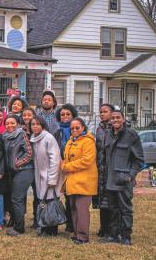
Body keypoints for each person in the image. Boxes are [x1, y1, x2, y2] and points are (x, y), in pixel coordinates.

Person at [102, 110, 145, 246]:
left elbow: (139, 160)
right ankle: (114, 235)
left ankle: (126, 236)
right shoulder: (108, 134)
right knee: (113, 209)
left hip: (123, 180)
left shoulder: (131, 135)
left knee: (125, 209)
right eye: (113, 118)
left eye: (118, 117)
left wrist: (130, 176)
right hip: (110, 179)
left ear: (123, 119)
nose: (115, 120)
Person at [61, 117, 98, 244]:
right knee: (74, 209)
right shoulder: (70, 141)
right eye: (72, 128)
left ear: (83, 127)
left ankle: (83, 237)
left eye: (77, 127)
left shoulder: (88, 141)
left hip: (84, 181)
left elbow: (87, 160)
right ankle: (77, 234)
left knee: (82, 210)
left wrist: (66, 167)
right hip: (72, 181)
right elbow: (66, 159)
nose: (74, 130)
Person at [30, 115, 63, 237]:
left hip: (50, 175)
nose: (35, 126)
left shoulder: (49, 138)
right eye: (33, 124)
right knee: (42, 201)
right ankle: (44, 227)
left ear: (43, 125)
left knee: (51, 202)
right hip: (40, 176)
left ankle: (52, 229)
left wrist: (53, 178)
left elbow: (55, 159)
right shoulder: (33, 138)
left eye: (37, 124)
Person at [2, 115, 34, 236]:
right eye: (7, 123)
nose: (10, 125)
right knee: (14, 198)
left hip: (25, 170)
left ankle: (19, 228)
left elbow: (29, 153)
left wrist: (16, 164)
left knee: (17, 198)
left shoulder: (22, 134)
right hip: (13, 172)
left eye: (12, 123)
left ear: (18, 124)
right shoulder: (5, 137)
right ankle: (15, 222)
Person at [53, 103, 78, 232]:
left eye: (68, 114)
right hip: (61, 167)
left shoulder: (78, 130)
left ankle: (74, 224)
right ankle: (68, 223)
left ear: (73, 115)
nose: (65, 117)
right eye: (62, 114)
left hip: (74, 168)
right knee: (64, 196)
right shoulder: (57, 132)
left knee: (73, 198)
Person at [94, 103, 115, 238]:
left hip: (112, 167)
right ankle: (103, 227)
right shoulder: (99, 129)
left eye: (105, 112)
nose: (102, 114)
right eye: (101, 112)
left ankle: (112, 228)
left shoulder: (116, 127)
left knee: (111, 198)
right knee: (102, 200)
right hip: (100, 168)